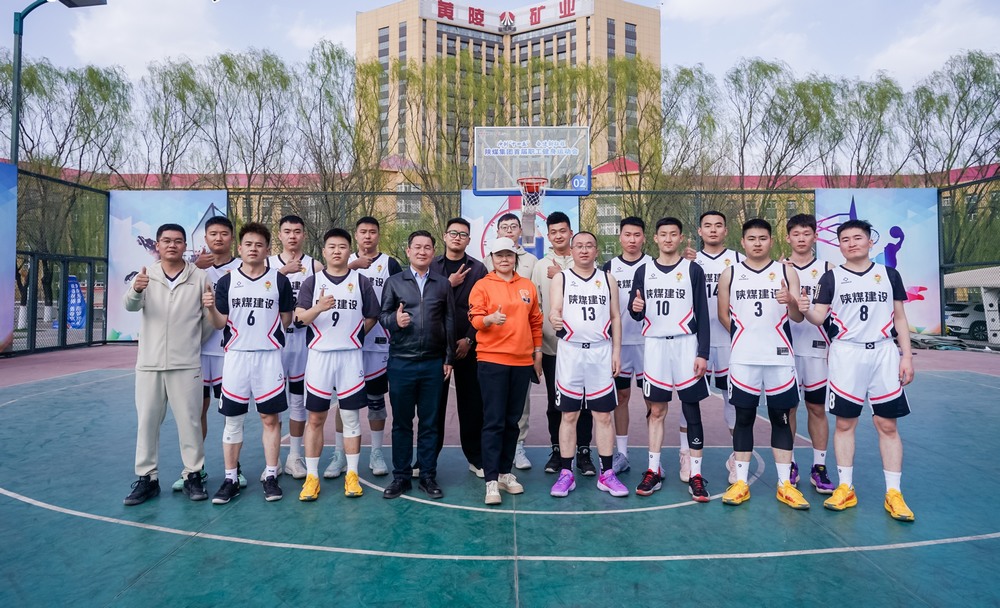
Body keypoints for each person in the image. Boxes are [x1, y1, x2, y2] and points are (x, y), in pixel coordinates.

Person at [805, 219, 915, 522]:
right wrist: (803, 308)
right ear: (839, 245)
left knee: (887, 425)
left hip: (883, 353)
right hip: (847, 353)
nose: (852, 243)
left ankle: (894, 493)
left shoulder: (889, 275)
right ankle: (845, 487)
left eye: (857, 238)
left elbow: (900, 318)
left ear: (870, 241)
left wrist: (906, 356)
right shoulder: (831, 278)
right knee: (844, 424)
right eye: (845, 239)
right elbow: (818, 317)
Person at [717, 218, 810, 510]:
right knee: (743, 418)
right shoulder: (730, 273)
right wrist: (744, 339)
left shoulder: (786, 272)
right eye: (751, 238)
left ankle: (785, 485)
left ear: (771, 240)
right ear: (742, 242)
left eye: (762, 238)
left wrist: (791, 301)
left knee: (781, 418)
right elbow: (723, 315)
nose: (757, 243)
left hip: (779, 357)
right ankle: (740, 482)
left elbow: (797, 317)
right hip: (744, 359)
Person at [122, 223, 214, 505]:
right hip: (149, 364)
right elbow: (130, 306)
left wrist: (188, 343)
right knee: (147, 422)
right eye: (166, 240)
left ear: (185, 246)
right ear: (158, 245)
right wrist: (136, 290)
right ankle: (147, 478)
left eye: (177, 241)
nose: (172, 245)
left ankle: (193, 474)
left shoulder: (200, 277)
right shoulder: (145, 276)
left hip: (186, 364)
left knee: (190, 423)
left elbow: (208, 322)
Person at [207, 222, 295, 504]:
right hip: (236, 357)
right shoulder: (227, 281)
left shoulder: (279, 281)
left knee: (270, 419)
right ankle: (230, 478)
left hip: (268, 357)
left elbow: (286, 319)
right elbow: (220, 322)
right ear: (240, 248)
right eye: (248, 244)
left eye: (259, 245)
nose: (253, 249)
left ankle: (271, 475)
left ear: (268, 249)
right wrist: (209, 307)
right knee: (233, 420)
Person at [628, 218, 712, 501]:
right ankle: (653, 469)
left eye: (673, 234)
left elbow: (703, 312)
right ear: (655, 238)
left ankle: (696, 474)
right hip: (655, 346)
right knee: (656, 410)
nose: (667, 239)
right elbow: (636, 312)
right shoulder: (644, 271)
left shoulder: (692, 269)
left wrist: (703, 353)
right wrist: (636, 308)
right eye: (662, 234)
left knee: (691, 409)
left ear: (680, 238)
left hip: (686, 344)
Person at [295, 228, 380, 501]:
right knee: (315, 418)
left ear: (349, 251)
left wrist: (356, 335)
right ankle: (312, 477)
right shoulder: (312, 282)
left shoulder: (361, 281)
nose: (336, 251)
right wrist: (318, 308)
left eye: (342, 246)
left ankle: (352, 474)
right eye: (331, 246)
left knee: (351, 417)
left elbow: (373, 315)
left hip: (350, 356)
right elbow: (299, 319)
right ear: (324, 251)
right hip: (319, 357)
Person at [166, 216, 243, 493]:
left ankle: (234, 469)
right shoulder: (191, 269)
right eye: (213, 233)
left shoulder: (242, 268)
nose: (218, 238)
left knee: (231, 414)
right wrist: (193, 268)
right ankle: (194, 469)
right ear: (205, 238)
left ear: (231, 237)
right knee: (196, 411)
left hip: (229, 352)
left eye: (224, 233)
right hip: (196, 352)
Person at [379, 230, 455, 500]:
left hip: (433, 363)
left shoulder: (442, 284)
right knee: (401, 423)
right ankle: (400, 476)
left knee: (430, 423)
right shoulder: (394, 282)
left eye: (427, 247)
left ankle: (427, 475)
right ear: (408, 251)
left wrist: (449, 358)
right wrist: (394, 321)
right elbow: (383, 315)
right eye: (417, 247)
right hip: (401, 362)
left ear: (433, 252)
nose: (422, 251)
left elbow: (449, 321)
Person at [548, 231, 625, 498]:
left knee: (603, 415)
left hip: (600, 352)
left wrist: (617, 351)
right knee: (569, 415)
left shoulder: (607, 279)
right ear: (571, 251)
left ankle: (607, 474)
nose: (583, 250)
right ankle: (566, 474)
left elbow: (616, 317)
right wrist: (554, 317)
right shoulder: (562, 278)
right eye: (579, 246)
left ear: (596, 250)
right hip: (570, 352)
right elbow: (555, 309)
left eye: (589, 246)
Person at [469, 237, 544, 505]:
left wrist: (537, 353)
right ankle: (491, 480)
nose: (504, 259)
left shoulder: (527, 286)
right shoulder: (482, 285)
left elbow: (535, 321)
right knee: (494, 421)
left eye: (509, 255)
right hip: (492, 361)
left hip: (522, 362)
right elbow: (475, 318)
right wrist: (488, 320)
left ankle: (504, 473)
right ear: (492, 258)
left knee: (513, 421)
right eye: (499, 255)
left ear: (515, 258)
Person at [326, 217, 402, 478]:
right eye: (363, 232)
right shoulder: (343, 262)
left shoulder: (389, 264)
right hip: (344, 344)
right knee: (343, 402)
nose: (368, 236)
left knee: (376, 400)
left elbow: (399, 298)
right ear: (355, 236)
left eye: (372, 232)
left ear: (378, 235)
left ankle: (376, 452)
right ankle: (339, 454)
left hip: (378, 343)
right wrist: (352, 266)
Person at [531, 212, 596, 477]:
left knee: (585, 402)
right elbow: (536, 308)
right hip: (552, 347)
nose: (559, 235)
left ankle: (584, 451)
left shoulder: (585, 262)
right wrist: (537, 346)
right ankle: (557, 450)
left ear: (571, 232)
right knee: (555, 402)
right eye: (554, 232)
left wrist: (562, 275)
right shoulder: (539, 266)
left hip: (583, 346)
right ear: (548, 236)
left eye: (563, 230)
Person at [685, 210, 742, 483]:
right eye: (707, 225)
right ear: (699, 231)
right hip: (696, 342)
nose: (713, 230)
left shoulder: (739, 260)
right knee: (689, 399)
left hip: (729, 340)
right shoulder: (689, 262)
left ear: (726, 230)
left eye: (718, 225)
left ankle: (737, 457)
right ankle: (686, 455)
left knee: (733, 400)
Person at [431, 218, 489, 477]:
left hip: (468, 345)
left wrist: (469, 339)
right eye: (453, 233)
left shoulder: (479, 269)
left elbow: (484, 308)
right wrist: (448, 284)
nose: (457, 237)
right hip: (436, 345)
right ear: (445, 236)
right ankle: (428, 459)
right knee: (434, 406)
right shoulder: (432, 266)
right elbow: (425, 302)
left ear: (469, 240)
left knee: (472, 405)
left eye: (462, 234)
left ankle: (475, 457)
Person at [268, 215, 323, 480]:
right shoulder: (267, 265)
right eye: (287, 231)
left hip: (302, 342)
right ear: (279, 235)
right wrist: (281, 273)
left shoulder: (315, 266)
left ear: (304, 235)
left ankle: (294, 456)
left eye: (297, 231)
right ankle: (273, 460)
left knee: (299, 402)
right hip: (273, 343)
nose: (292, 236)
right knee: (273, 404)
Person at [783, 214, 835, 493]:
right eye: (796, 234)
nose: (801, 239)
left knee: (816, 408)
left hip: (818, 349)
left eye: (806, 233)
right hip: (785, 349)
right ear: (788, 237)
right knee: (788, 408)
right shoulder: (778, 269)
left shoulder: (829, 270)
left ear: (815, 236)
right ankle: (789, 463)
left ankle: (819, 466)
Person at [485, 212, 539, 470]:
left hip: (521, 348)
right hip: (493, 349)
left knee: (521, 402)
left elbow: (535, 307)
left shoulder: (532, 262)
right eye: (504, 226)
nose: (508, 230)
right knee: (494, 407)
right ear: (497, 232)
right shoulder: (487, 264)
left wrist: (536, 346)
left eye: (513, 226)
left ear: (520, 231)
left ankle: (518, 445)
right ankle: (492, 458)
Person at [603, 216, 654, 474]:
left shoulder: (654, 265)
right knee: (621, 397)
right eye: (627, 234)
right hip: (620, 345)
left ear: (644, 237)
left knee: (652, 400)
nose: (632, 240)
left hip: (648, 343)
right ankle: (622, 454)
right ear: (620, 237)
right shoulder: (609, 268)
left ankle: (653, 458)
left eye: (637, 235)